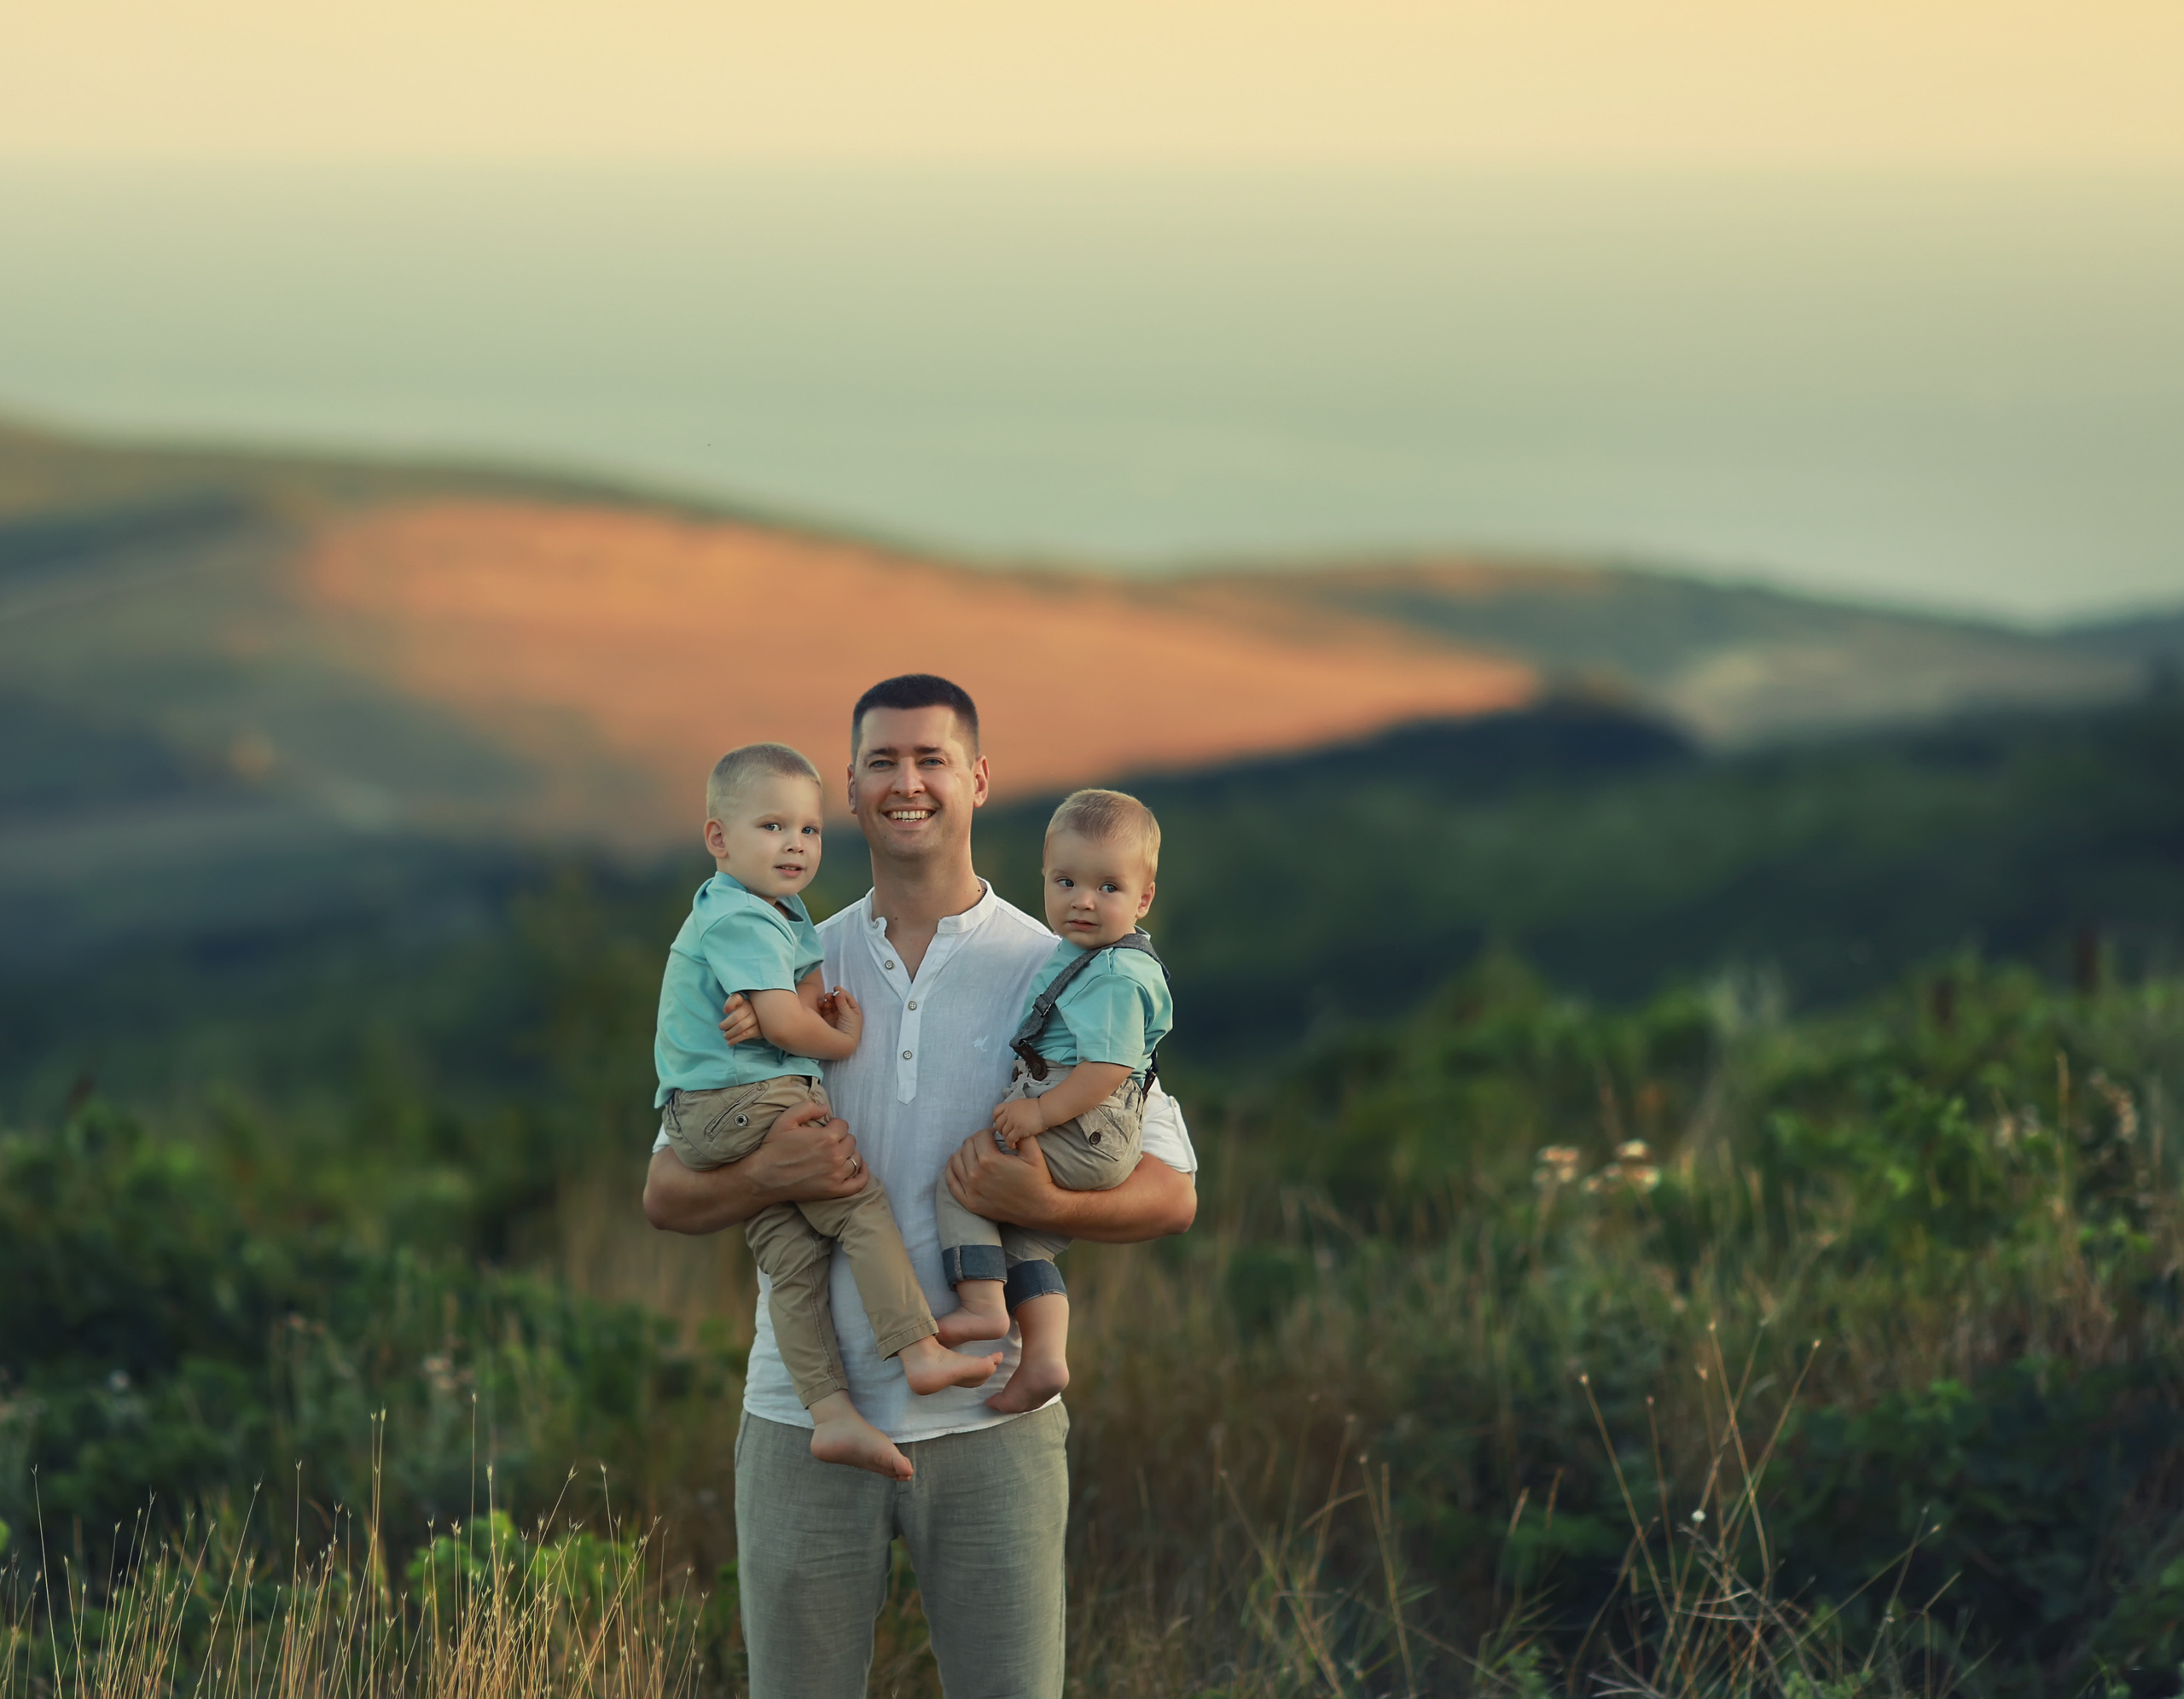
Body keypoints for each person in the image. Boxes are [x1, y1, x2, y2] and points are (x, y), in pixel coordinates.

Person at [643, 674, 1198, 1699]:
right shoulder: (779, 951)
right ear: (848, 789)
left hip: (994, 1423)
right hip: (801, 1416)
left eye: (931, 758)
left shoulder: (1065, 959)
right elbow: (668, 1192)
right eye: (883, 762)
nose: (908, 782)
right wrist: (772, 1170)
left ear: (978, 780)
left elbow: (1171, 1192)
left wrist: (1044, 1207)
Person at [651, 742, 1001, 1480]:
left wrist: (784, 1011)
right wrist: (835, 1033)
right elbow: (792, 1023)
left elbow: (786, 1003)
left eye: (807, 831)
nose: (795, 845)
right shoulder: (743, 916)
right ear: (719, 838)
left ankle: (831, 1413)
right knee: (853, 1201)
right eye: (772, 827)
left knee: (791, 1256)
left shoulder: (779, 914)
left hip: (712, 1106)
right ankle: (918, 1348)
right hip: (740, 1101)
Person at [932, 788, 1170, 1415]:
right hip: (1088, 1125)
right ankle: (1042, 1359)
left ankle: (983, 1307)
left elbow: (1109, 1067)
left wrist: (1038, 1112)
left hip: (1082, 1124)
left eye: (1108, 888)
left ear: (1143, 898)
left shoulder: (1115, 975)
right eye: (1066, 881)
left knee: (966, 1178)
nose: (1083, 900)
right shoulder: (1083, 958)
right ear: (1044, 877)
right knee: (1025, 1241)